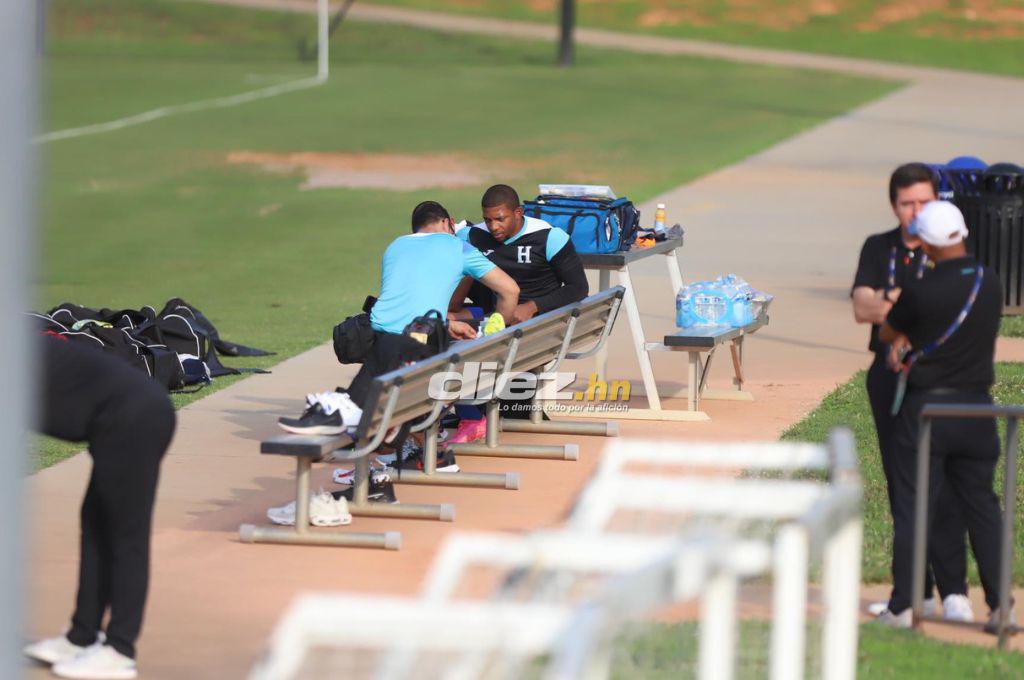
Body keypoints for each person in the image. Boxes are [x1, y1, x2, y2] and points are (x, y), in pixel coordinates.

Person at [271, 201, 519, 516]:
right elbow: (510, 290)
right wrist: (498, 326)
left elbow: (407, 302)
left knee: (379, 397)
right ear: (446, 223)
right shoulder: (456, 245)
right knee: (394, 396)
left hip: (386, 343)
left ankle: (362, 449)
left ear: (414, 228)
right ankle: (393, 451)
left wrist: (445, 321)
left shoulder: (395, 246)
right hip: (418, 350)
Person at [875, 200, 1008, 629]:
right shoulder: (990, 282)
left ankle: (903, 606)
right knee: (984, 507)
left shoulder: (921, 289)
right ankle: (1000, 604)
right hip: (977, 408)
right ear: (963, 234)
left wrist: (905, 342)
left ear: (927, 245)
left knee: (915, 506)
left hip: (928, 408)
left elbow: (889, 330)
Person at [851, 163, 970, 621]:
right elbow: (862, 307)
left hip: (941, 378)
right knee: (903, 486)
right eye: (907, 204)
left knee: (946, 486)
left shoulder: (949, 247)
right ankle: (913, 591)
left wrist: (897, 303)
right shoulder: (879, 247)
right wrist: (905, 304)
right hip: (889, 378)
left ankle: (954, 590)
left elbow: (963, 300)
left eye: (924, 202)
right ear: (894, 205)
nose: (915, 211)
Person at [24, 334, 176, 680]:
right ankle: (81, 636)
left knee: (125, 537)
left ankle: (120, 650)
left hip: (136, 417)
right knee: (95, 525)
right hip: (116, 420)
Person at [447, 184, 589, 442]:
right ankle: (476, 412)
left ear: (518, 213)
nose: (493, 227)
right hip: (491, 321)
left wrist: (533, 306)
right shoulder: (472, 236)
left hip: (537, 326)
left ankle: (477, 413)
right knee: (439, 330)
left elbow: (579, 288)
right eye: (488, 220)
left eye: (500, 219)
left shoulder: (549, 237)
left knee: (472, 351)